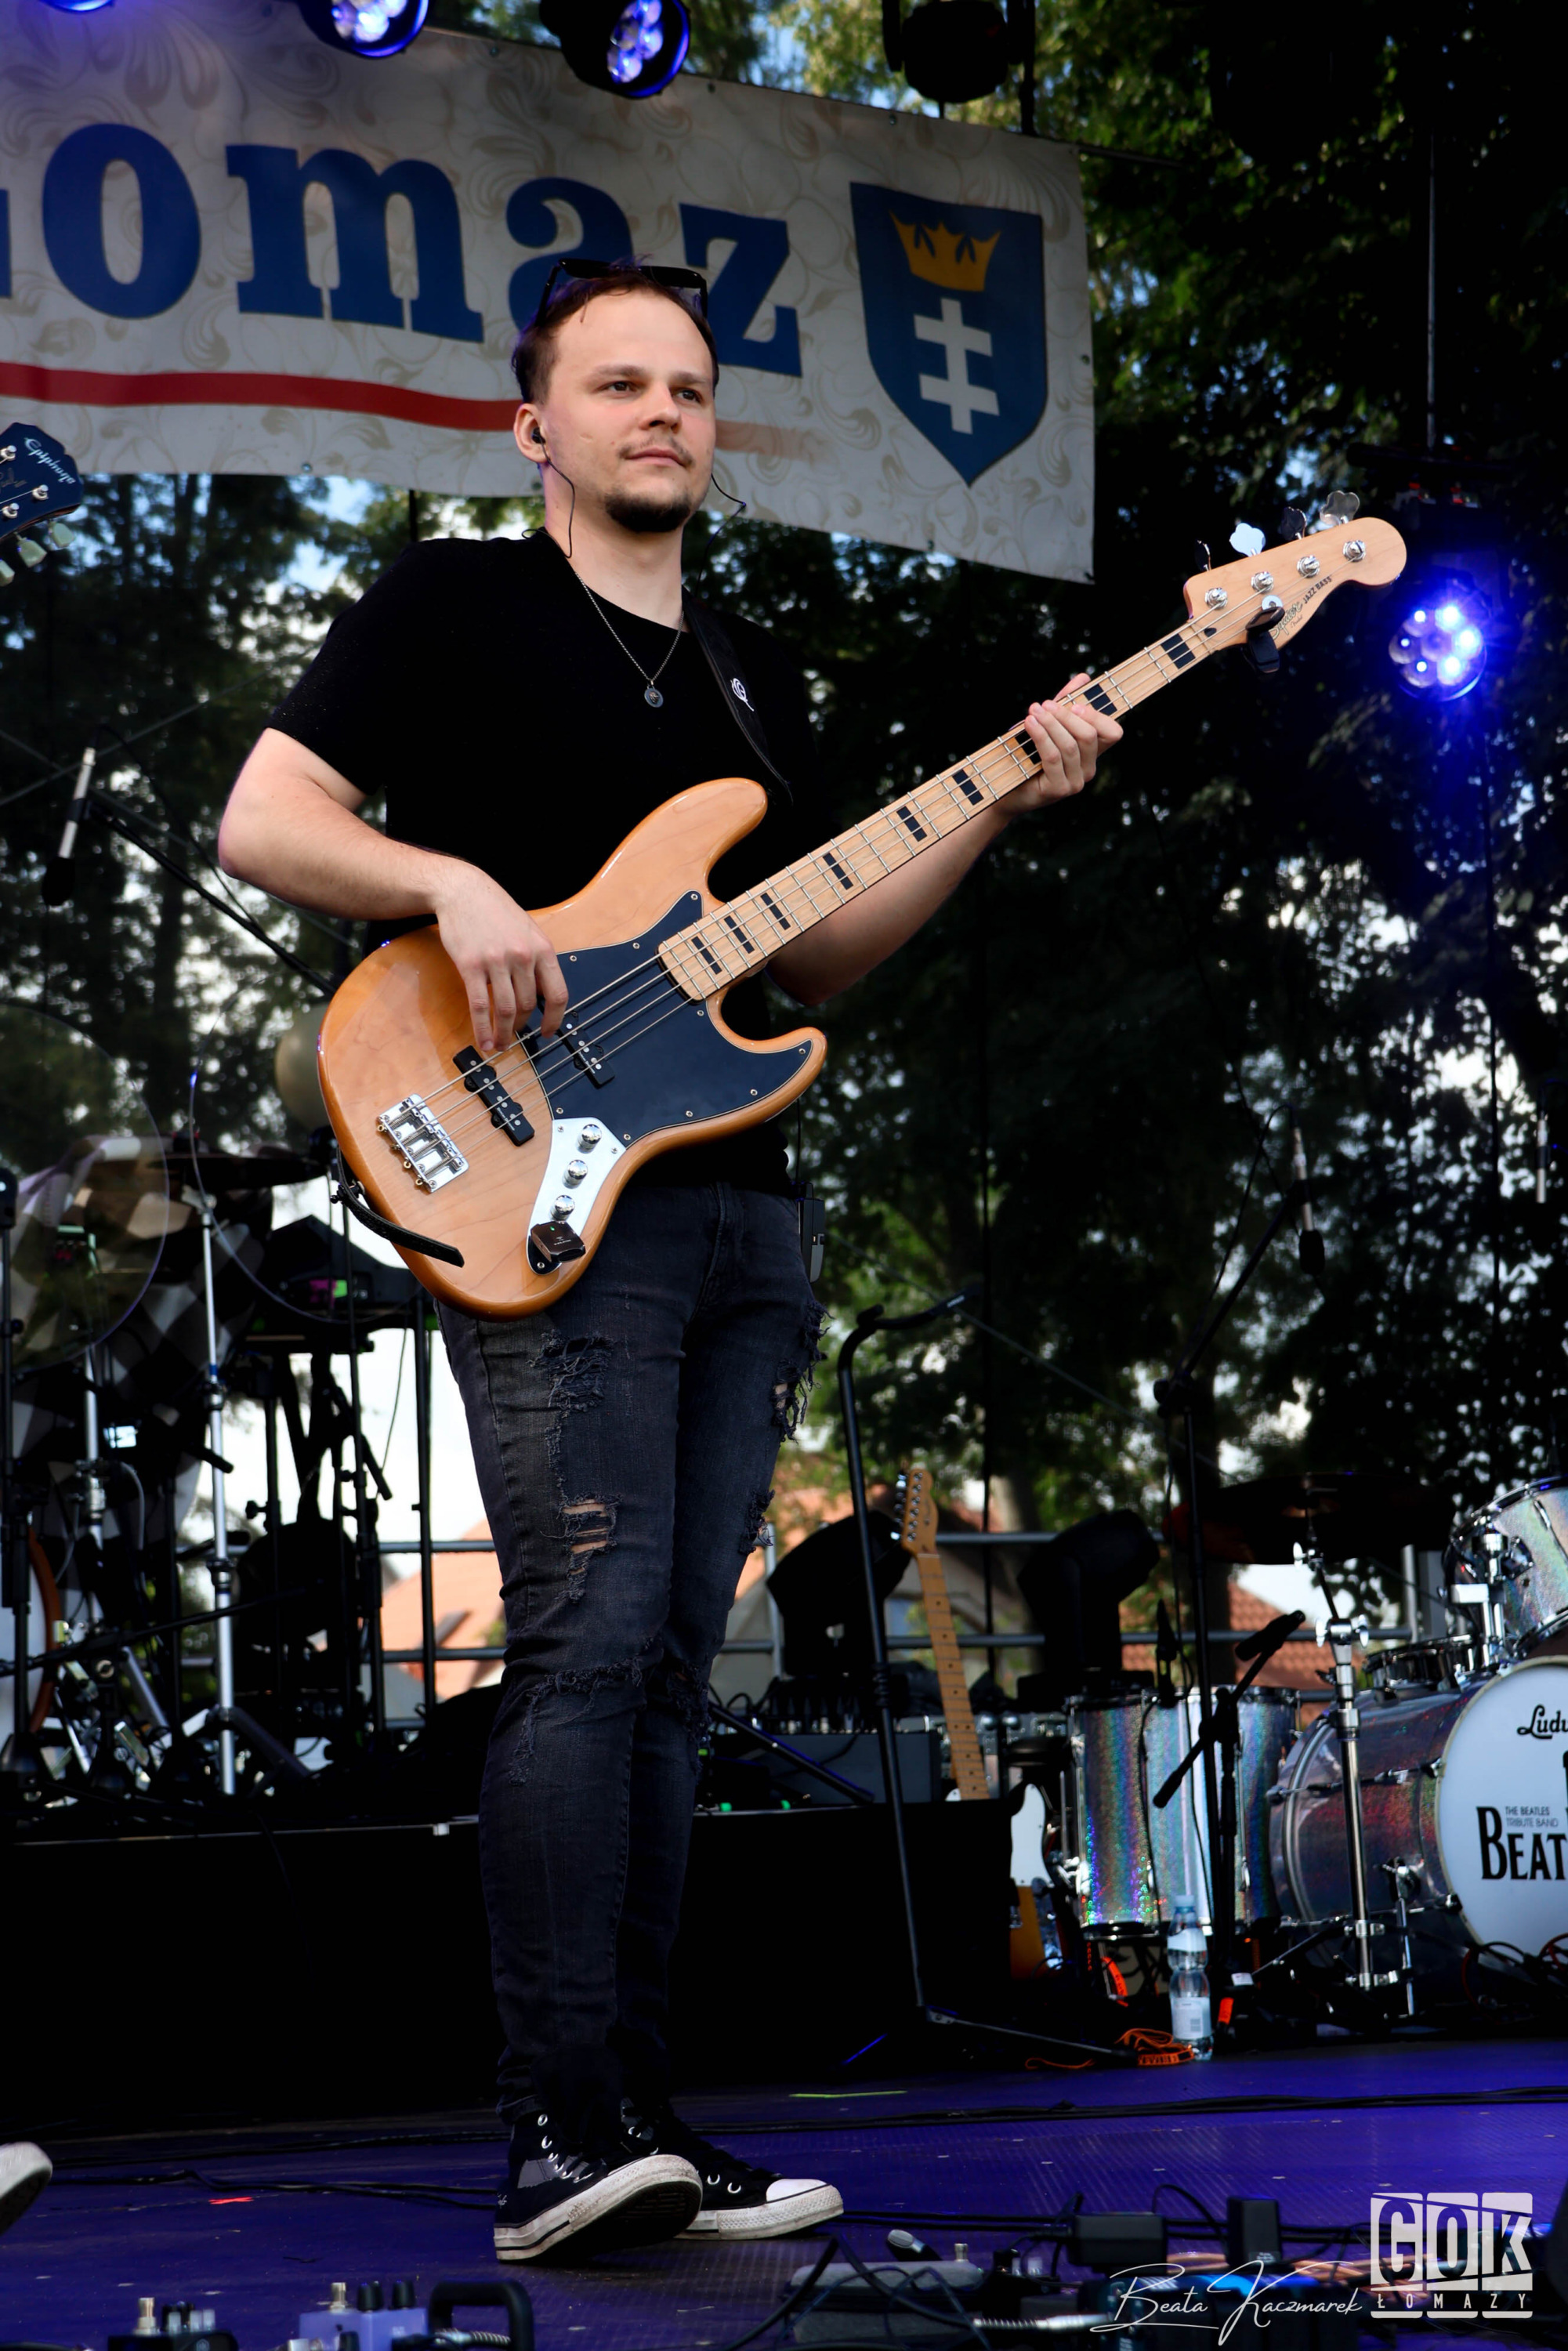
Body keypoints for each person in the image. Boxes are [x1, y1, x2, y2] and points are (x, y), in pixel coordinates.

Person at [219, 259, 1120, 2262]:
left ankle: (637, 2120)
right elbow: (265, 820)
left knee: (663, 1684)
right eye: (617, 384)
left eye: (689, 389)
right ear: (533, 427)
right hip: (537, 1186)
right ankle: (556, 2131)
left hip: (738, 1201)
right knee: (590, 1636)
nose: (660, 414)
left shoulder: (744, 675)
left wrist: (996, 799)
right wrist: (450, 884)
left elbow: (809, 959)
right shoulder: (452, 604)